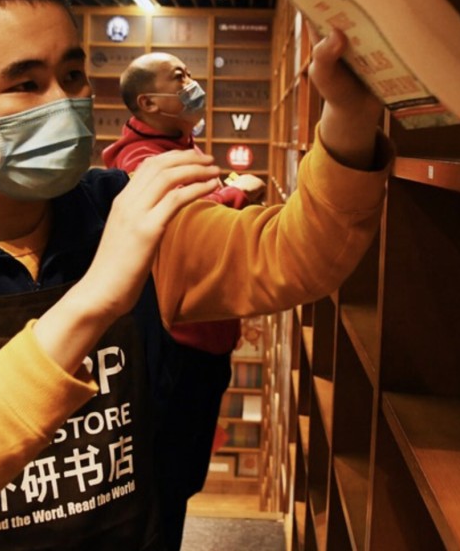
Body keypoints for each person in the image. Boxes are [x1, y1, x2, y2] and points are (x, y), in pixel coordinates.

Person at [0, 0, 390, 551]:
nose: (63, 102)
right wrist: (93, 298)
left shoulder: (133, 208)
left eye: (73, 75)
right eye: (26, 84)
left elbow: (300, 255)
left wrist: (347, 113)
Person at [102, 52, 266, 550]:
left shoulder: (176, 144)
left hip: (205, 335)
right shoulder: (141, 160)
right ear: (150, 101)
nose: (193, 84)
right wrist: (241, 193)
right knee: (166, 481)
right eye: (181, 78)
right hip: (177, 341)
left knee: (180, 475)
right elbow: (185, 218)